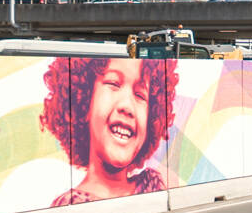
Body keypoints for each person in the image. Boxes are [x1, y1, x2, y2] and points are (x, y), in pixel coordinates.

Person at [42, 56, 177, 204]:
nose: (127, 106)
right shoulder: (69, 206)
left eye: (140, 95)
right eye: (113, 84)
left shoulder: (152, 186)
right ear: (84, 99)